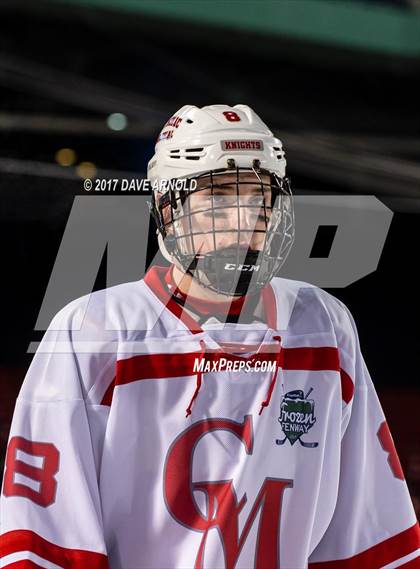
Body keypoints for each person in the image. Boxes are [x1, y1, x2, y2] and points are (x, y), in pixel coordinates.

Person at [1, 104, 418, 569]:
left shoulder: (323, 326)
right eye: (217, 197)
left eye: (259, 196)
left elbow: (368, 541)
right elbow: (45, 544)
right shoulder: (95, 332)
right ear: (167, 209)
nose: (243, 217)